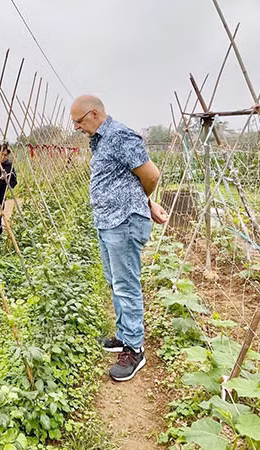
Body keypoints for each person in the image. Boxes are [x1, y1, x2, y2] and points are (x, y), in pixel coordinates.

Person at [70, 95, 169, 382]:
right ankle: (124, 335)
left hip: (123, 221)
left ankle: (135, 349)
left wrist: (142, 203)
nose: (76, 127)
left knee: (127, 284)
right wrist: (146, 203)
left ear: (93, 114)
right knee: (115, 281)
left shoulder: (120, 135)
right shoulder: (100, 139)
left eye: (78, 121)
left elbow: (150, 175)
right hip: (108, 221)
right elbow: (123, 179)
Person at [0, 142, 18, 234]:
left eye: (6, 155)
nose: (4, 157)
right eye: (2, 154)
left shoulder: (9, 166)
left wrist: (6, 179)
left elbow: (13, 183)